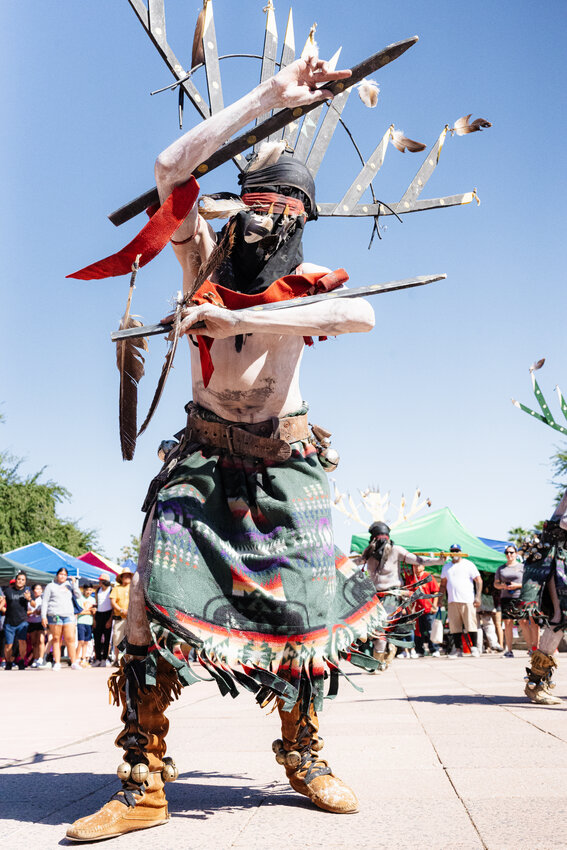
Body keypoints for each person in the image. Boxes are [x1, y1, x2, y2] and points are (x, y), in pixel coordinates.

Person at [67, 55, 392, 842]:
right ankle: (143, 777)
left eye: (284, 208)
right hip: (204, 455)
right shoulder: (199, 256)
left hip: (288, 459)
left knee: (306, 614)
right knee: (146, 601)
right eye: (254, 204)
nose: (266, 218)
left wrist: (224, 322)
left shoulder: (313, 281)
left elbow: (359, 319)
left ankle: (303, 752)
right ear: (235, 208)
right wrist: (269, 98)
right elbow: (171, 167)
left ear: (303, 219)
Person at [362, 522, 444, 667]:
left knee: (382, 628)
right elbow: (355, 566)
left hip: (391, 595)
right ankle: (383, 655)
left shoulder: (396, 550)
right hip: (374, 596)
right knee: (375, 630)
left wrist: (438, 560)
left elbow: (418, 560)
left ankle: (380, 659)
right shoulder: (368, 553)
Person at [522, 490, 567, 705]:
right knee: (560, 618)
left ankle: (539, 683)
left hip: (559, 560)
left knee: (561, 619)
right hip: (557, 563)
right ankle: (536, 684)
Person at [439, 545, 483, 657]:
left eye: (457, 551)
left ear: (461, 552)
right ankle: (458, 650)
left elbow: (478, 580)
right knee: (455, 627)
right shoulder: (446, 566)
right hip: (452, 600)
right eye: (452, 551)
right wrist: (440, 599)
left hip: (467, 600)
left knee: (470, 624)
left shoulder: (468, 564)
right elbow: (443, 584)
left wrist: (478, 596)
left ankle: (474, 648)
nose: (455, 553)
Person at [493, 545, 531, 657]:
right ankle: (509, 650)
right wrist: (503, 586)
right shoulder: (501, 568)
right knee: (507, 623)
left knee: (523, 622)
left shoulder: (522, 567)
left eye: (511, 552)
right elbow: (496, 584)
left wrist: (517, 586)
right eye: (507, 553)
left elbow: (528, 583)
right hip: (506, 598)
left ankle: (531, 649)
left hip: (519, 597)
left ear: (516, 553)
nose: (509, 555)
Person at [41, 567, 82, 671]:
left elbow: (78, 595)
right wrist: (43, 616)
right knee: (56, 639)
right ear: (57, 575)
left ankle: (73, 662)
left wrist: (74, 584)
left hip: (68, 615)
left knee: (70, 639)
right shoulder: (50, 586)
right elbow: (45, 602)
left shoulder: (69, 585)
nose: (62, 576)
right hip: (55, 615)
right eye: (61, 574)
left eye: (64, 574)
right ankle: (57, 662)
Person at [408, 562, 441, 657]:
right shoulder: (411, 578)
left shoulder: (428, 577)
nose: (416, 568)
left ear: (423, 566)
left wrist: (434, 606)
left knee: (430, 629)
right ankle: (419, 650)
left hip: (428, 608)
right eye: (414, 566)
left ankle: (434, 649)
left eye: (418, 565)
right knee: (418, 631)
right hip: (416, 609)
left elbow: (435, 592)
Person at [3, 571, 31, 670]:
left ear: (25, 581)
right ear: (16, 580)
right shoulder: (8, 591)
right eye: (19, 579)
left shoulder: (27, 591)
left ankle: (22, 661)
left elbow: (33, 605)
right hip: (9, 622)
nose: (20, 581)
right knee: (8, 644)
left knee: (22, 642)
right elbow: (2, 604)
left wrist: (29, 599)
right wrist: (3, 608)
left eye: (23, 580)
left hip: (22, 621)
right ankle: (9, 662)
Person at [110, 568, 133, 664]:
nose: (127, 577)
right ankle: (116, 659)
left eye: (129, 575)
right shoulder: (116, 588)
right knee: (117, 639)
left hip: (132, 618)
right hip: (120, 617)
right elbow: (112, 601)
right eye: (125, 575)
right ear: (122, 577)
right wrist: (121, 610)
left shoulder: (134, 588)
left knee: (130, 639)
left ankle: (129, 658)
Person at [92, 572, 114, 667]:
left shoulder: (111, 590)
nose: (99, 582)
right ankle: (98, 659)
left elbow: (112, 607)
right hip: (99, 614)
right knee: (97, 638)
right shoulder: (97, 591)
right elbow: (97, 603)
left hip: (108, 614)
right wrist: (94, 619)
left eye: (101, 581)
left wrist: (110, 619)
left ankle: (105, 658)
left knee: (107, 639)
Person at [27, 583, 47, 668]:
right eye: (37, 589)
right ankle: (35, 659)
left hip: (41, 622)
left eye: (40, 589)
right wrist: (32, 612)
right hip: (31, 622)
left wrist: (39, 613)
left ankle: (41, 659)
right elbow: (26, 612)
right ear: (33, 590)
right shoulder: (28, 600)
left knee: (41, 641)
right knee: (34, 642)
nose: (39, 591)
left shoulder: (43, 599)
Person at [76, 584, 96, 667]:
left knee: (86, 642)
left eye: (90, 590)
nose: (88, 592)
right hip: (80, 622)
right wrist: (88, 611)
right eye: (87, 590)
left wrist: (85, 611)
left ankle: (83, 659)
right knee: (80, 641)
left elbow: (94, 612)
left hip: (89, 622)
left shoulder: (93, 599)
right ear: (83, 590)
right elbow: (78, 612)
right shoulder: (79, 599)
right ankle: (76, 659)